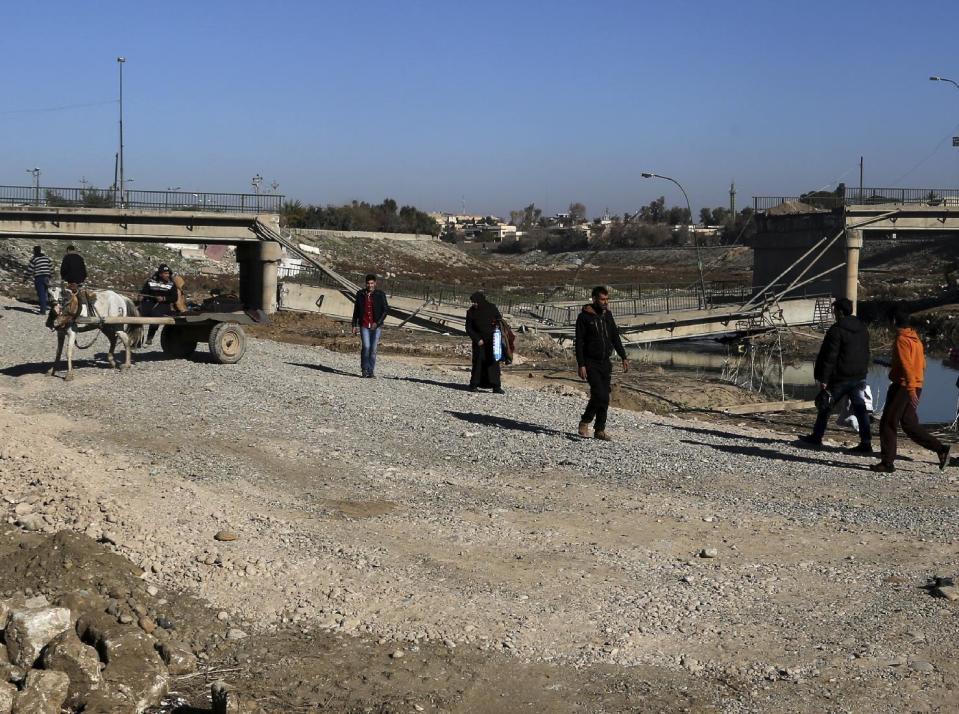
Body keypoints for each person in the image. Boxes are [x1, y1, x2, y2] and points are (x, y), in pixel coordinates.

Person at [870, 307, 952, 473]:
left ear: (893, 322)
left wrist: (910, 388)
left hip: (904, 386)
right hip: (915, 384)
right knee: (908, 423)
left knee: (888, 422)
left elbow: (907, 365)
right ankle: (941, 449)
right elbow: (922, 364)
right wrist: (915, 384)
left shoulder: (901, 339)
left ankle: (887, 462)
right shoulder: (916, 339)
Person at [799, 297, 872, 452]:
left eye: (834, 311)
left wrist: (824, 378)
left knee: (826, 406)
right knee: (860, 409)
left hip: (840, 377)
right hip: (858, 376)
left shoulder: (837, 330)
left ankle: (816, 437)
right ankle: (866, 442)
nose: (834, 314)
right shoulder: (863, 328)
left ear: (839, 312)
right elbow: (866, 352)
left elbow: (829, 356)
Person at [575, 286, 629, 441]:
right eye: (602, 299)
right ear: (594, 299)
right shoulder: (584, 318)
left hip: (605, 362)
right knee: (600, 393)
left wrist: (623, 356)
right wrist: (581, 364)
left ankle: (599, 429)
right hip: (590, 362)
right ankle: (585, 421)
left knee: (604, 397)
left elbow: (615, 337)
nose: (605, 302)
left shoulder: (608, 315)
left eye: (607, 299)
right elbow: (579, 342)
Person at [465, 291, 504, 393]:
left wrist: (496, 328)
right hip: (479, 342)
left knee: (493, 363)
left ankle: (496, 386)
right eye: (473, 302)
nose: (474, 304)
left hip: (492, 341)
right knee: (478, 363)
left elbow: (499, 320)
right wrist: (477, 339)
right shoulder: (471, 312)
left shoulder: (491, 308)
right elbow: (469, 328)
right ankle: (474, 384)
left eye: (476, 302)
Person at [351, 273, 389, 378]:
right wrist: (354, 324)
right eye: (368, 283)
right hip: (364, 325)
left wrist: (378, 322)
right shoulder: (360, 294)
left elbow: (386, 310)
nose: (370, 285)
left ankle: (371, 370)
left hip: (376, 326)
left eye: (372, 283)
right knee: (366, 347)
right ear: (366, 284)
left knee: (373, 349)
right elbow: (356, 310)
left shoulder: (380, 294)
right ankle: (364, 369)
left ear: (375, 283)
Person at [139, 264, 179, 345]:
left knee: (156, 316)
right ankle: (139, 337)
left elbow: (174, 298)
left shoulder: (171, 284)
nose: (167, 275)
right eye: (165, 273)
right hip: (149, 302)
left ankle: (150, 337)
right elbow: (144, 292)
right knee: (138, 314)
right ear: (160, 274)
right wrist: (141, 296)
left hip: (163, 305)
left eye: (168, 273)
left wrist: (164, 298)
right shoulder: (150, 281)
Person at [26, 246, 53, 314]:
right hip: (47, 277)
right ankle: (45, 306)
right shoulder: (46, 258)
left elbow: (30, 270)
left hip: (39, 277)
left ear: (34, 251)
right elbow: (51, 267)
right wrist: (50, 276)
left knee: (41, 294)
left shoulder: (34, 259)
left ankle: (43, 311)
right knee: (45, 292)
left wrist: (25, 278)